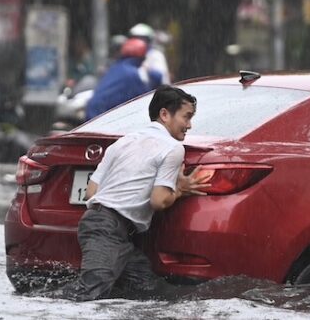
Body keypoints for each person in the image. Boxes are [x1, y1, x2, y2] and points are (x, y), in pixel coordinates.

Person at [68, 85, 212, 301]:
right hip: (109, 230)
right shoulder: (173, 148)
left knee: (149, 291)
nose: (189, 125)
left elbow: (91, 192)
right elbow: (158, 201)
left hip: (102, 225)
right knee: (87, 296)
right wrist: (180, 189)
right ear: (165, 114)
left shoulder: (122, 142)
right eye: (187, 117)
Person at [86, 38, 164, 119]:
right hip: (101, 116)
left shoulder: (115, 67)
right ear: (141, 58)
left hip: (93, 112)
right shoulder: (132, 74)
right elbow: (144, 99)